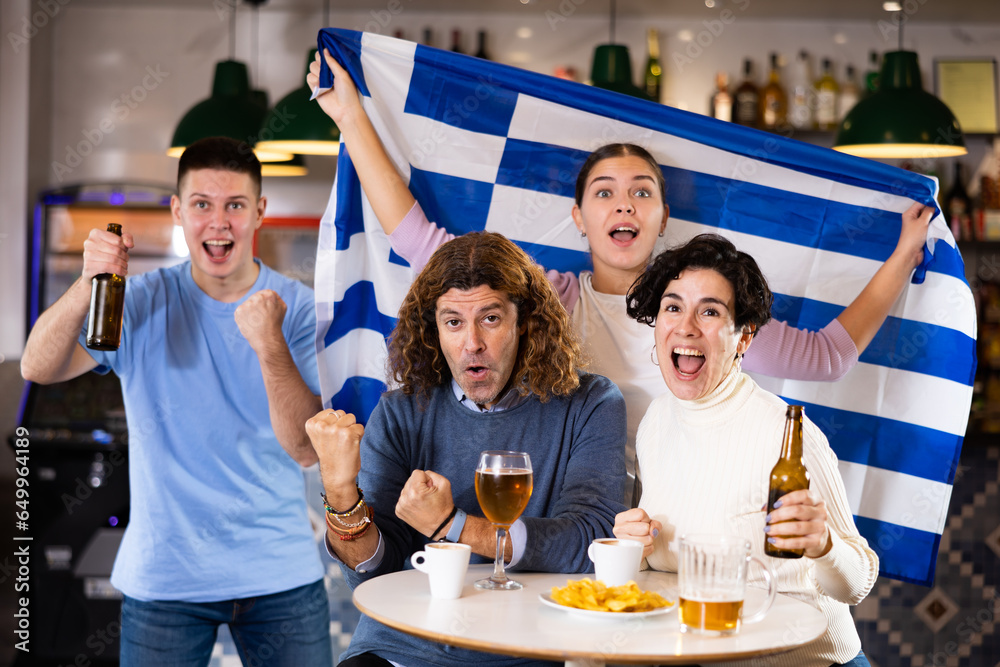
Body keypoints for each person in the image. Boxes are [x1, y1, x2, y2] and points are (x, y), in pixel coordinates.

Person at [306, 49, 932, 501]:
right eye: (604, 193)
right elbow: (419, 241)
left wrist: (905, 252)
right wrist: (350, 117)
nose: (624, 204)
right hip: (572, 517)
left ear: (663, 218)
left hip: (686, 513)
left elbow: (826, 357)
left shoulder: (705, 319)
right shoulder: (548, 298)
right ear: (579, 217)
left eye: (642, 192)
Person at [20, 137, 333, 665]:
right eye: (202, 204)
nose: (219, 222)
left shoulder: (296, 309)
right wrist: (88, 280)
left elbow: (306, 449)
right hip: (166, 578)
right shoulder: (137, 302)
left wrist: (269, 342)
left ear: (259, 212)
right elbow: (37, 367)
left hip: (279, 574)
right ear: (177, 211)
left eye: (235, 205)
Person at [305, 231, 627, 667]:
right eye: (453, 322)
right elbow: (371, 570)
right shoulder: (401, 412)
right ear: (433, 329)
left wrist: (451, 524)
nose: (471, 343)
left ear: (525, 321)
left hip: (525, 649)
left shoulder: (590, 403)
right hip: (402, 647)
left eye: (490, 319)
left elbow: (588, 543)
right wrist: (340, 491)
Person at [613, 234, 878, 667]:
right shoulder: (656, 422)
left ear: (744, 338)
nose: (686, 326)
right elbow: (672, 568)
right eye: (673, 307)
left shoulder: (787, 435)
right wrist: (636, 548)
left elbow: (857, 583)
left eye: (711, 311)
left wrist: (825, 545)